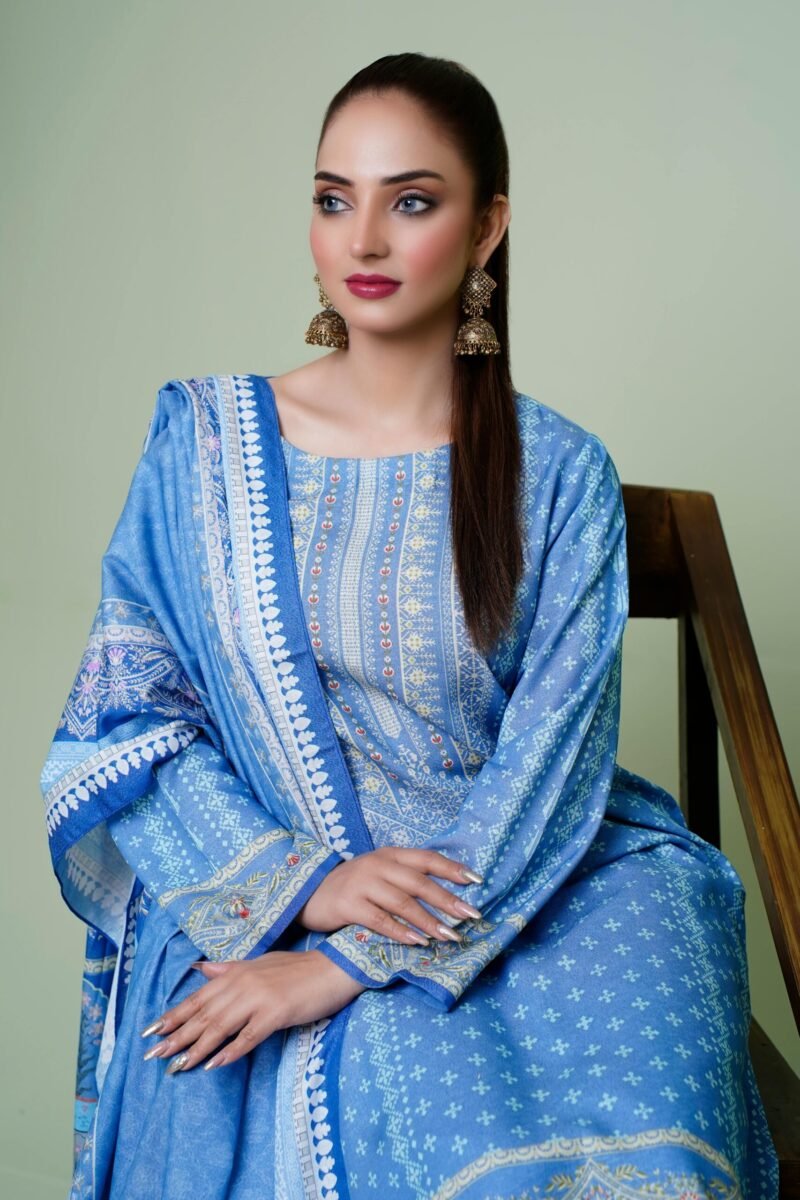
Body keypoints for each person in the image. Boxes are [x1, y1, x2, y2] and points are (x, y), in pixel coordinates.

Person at [40, 51, 777, 1200]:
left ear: (487, 230)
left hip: (532, 873)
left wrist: (344, 963)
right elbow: (128, 713)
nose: (362, 241)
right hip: (268, 876)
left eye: (411, 201)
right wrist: (306, 891)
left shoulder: (560, 475)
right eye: (334, 198)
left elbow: (552, 764)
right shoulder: (205, 449)